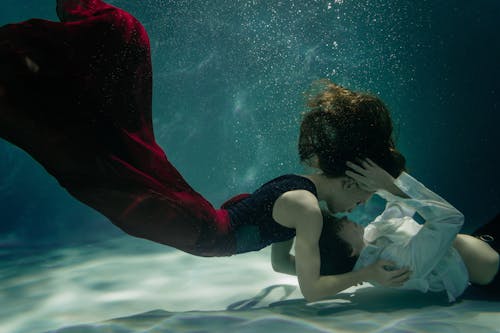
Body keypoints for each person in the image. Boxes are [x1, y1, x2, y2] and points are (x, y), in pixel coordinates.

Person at [1, 0, 409, 301]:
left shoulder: (306, 201)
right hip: (197, 227)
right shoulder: (304, 206)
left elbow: (282, 265)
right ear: (351, 176)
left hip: (194, 216)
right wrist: (366, 273)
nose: (359, 206)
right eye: (364, 194)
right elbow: (312, 292)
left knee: (107, 144)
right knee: (97, 157)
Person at [272, 159, 500, 302]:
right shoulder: (392, 265)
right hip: (495, 269)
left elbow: (399, 207)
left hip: (482, 239)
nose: (348, 219)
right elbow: (450, 219)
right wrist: (389, 186)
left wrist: (379, 182)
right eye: (342, 224)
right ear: (350, 250)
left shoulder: (371, 237)